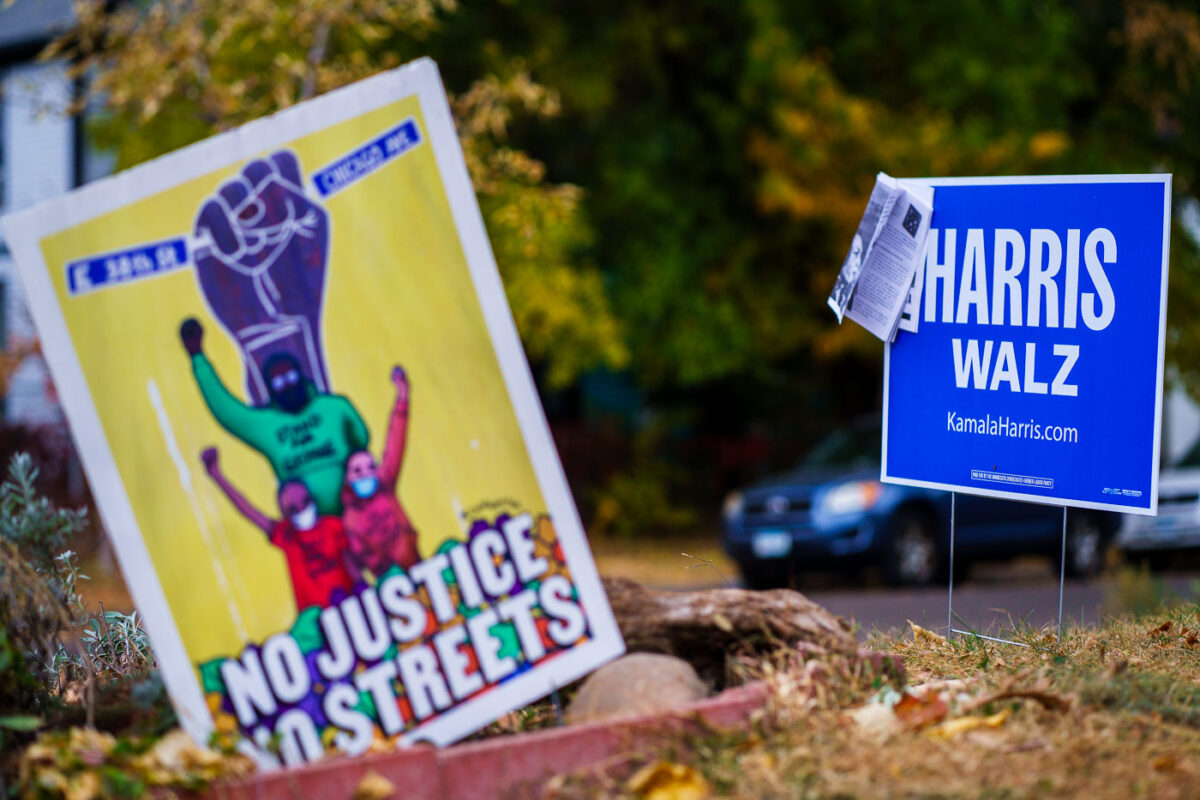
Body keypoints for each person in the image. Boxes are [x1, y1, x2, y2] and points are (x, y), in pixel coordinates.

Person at [180, 317, 368, 515]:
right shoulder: (266, 424)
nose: (287, 385)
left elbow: (361, 438)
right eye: (279, 382)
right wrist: (197, 358)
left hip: (360, 516)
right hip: (314, 536)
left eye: (291, 377)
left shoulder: (335, 407)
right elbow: (227, 411)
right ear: (270, 390)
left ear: (301, 377)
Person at [201, 447, 357, 611]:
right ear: (285, 514)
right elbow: (249, 511)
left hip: (350, 604)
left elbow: (350, 558)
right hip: (315, 618)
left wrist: (360, 587)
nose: (302, 509)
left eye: (305, 501)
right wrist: (217, 475)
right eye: (293, 509)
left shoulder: (333, 525)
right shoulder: (287, 535)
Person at [341, 366, 421, 579]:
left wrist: (402, 396)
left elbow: (396, 441)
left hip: (420, 566)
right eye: (357, 471)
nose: (366, 474)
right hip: (393, 584)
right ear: (348, 479)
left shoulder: (384, 484)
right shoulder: (350, 517)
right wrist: (385, 569)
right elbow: (361, 553)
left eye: (370, 467)